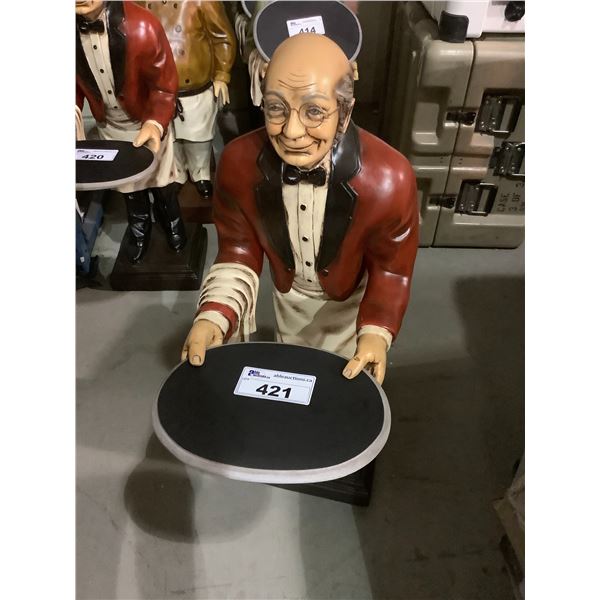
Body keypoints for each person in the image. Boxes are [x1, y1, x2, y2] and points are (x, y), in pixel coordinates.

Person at [181, 33, 418, 384]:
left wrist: (376, 332)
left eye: (314, 111)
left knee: (341, 384)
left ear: (345, 112)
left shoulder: (390, 179)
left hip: (352, 307)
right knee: (294, 371)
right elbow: (238, 250)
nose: (292, 131)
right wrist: (214, 314)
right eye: (276, 108)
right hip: (287, 299)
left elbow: (391, 269)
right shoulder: (238, 163)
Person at [76, 0, 184, 263]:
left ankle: (172, 220)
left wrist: (155, 122)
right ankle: (139, 227)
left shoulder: (144, 25)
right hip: (109, 127)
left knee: (161, 182)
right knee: (129, 187)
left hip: (146, 123)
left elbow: (163, 84)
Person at [140, 1, 236, 199]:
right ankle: (178, 173)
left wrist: (221, 75)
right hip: (158, 88)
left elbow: (221, 37)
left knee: (198, 137)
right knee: (169, 137)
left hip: (196, 87)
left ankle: (200, 173)